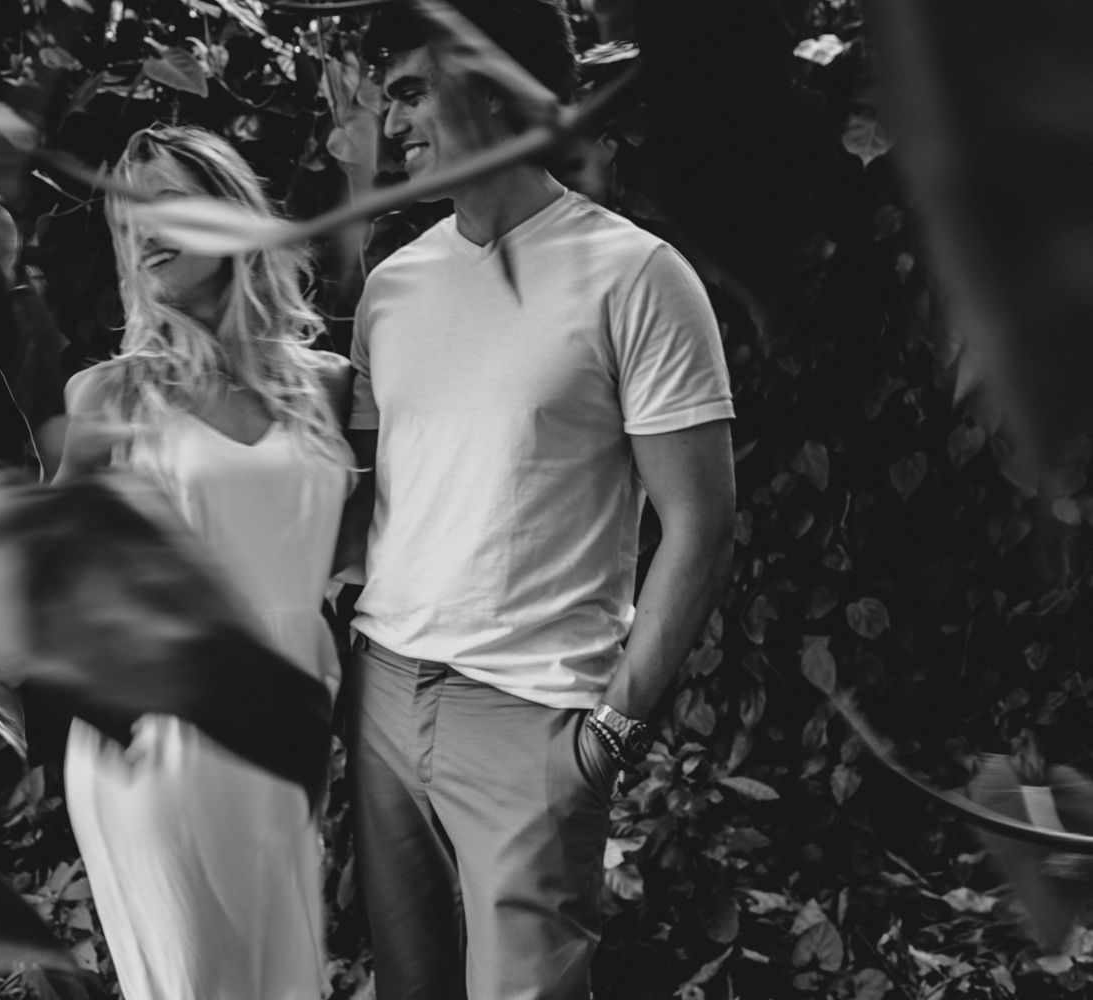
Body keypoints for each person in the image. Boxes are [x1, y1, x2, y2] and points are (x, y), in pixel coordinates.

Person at [340, 3, 738, 999]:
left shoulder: (637, 276)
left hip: (530, 717)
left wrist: (610, 735)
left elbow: (701, 524)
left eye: (411, 91)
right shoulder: (391, 287)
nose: (393, 123)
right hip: (383, 692)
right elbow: (375, 497)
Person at [54, 124, 352, 1000]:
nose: (142, 233)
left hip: (293, 721)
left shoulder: (329, 385)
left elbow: (348, 545)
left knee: (285, 981)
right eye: (126, 219)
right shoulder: (111, 394)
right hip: (161, 736)